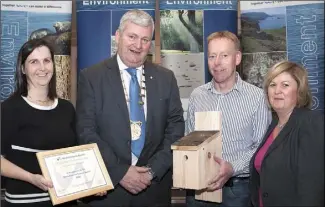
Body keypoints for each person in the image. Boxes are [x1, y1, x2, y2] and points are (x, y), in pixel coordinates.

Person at [76, 9, 185, 207]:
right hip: (108, 192)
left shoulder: (165, 78)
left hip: (153, 190)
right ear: (118, 36)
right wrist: (121, 172)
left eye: (145, 39)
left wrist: (152, 171)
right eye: (132, 36)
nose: (138, 45)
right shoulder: (91, 77)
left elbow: (176, 129)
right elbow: (86, 131)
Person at [185, 31, 271, 207]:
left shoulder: (257, 98)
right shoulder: (197, 96)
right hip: (198, 190)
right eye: (212, 56)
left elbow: (261, 149)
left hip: (237, 191)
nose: (217, 63)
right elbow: (189, 141)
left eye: (224, 55)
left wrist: (232, 167)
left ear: (237, 58)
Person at [1, 39, 77, 207]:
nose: (42, 68)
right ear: (23, 69)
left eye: (46, 61)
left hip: (65, 200)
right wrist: (31, 178)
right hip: (25, 202)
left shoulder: (67, 108)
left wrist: (92, 183)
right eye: (34, 62)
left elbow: (76, 154)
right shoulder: (8, 109)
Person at [249, 61, 324, 207]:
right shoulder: (274, 124)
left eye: (285, 85)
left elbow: (313, 189)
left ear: (299, 90)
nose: (277, 91)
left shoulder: (311, 123)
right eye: (272, 85)